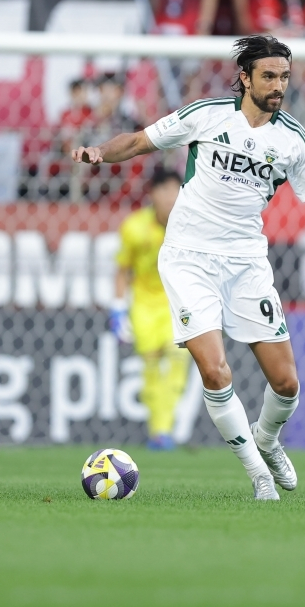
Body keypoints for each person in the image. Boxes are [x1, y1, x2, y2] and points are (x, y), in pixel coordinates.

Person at [72, 35, 305, 500]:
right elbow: (137, 142)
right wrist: (100, 152)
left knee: (287, 384)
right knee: (215, 371)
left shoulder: (293, 140)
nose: (279, 86)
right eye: (269, 76)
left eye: (284, 77)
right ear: (245, 78)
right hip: (189, 257)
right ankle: (259, 475)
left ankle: (267, 440)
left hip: (246, 262)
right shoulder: (207, 114)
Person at [111, 168, 192, 450]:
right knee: (151, 370)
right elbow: (122, 270)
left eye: (175, 189)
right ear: (152, 194)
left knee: (178, 359)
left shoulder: (191, 225)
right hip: (144, 305)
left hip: (177, 303)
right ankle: (159, 431)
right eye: (164, 190)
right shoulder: (134, 227)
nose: (170, 197)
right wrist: (118, 308)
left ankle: (163, 430)